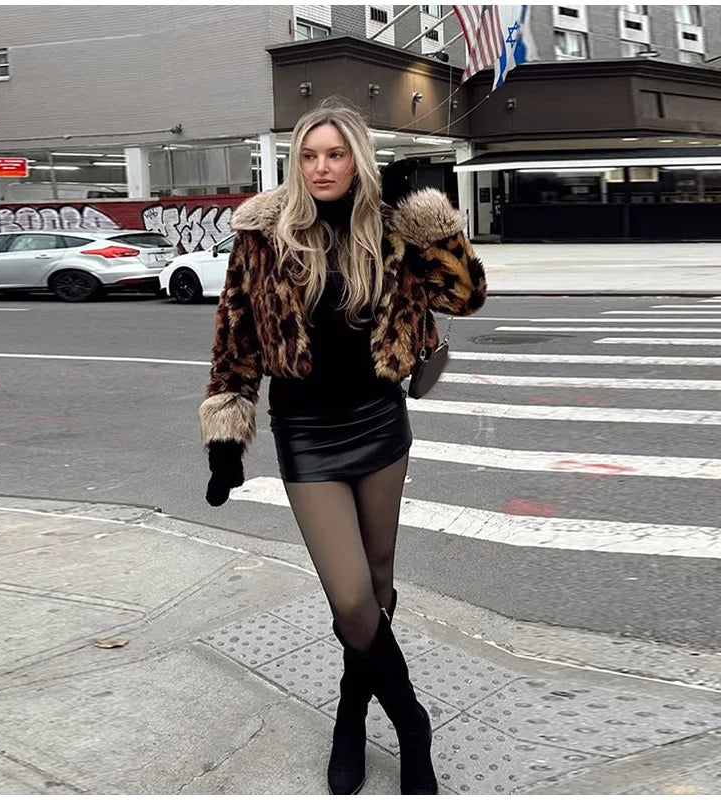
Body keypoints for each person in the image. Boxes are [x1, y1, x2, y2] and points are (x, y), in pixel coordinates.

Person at [198, 101, 486, 795]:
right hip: (306, 433)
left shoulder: (391, 229)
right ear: (294, 162)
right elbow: (236, 333)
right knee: (352, 598)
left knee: (378, 585)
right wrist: (227, 433)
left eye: (335, 154)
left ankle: (351, 716)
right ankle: (412, 723)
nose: (321, 167)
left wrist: (433, 222)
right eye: (309, 155)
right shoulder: (262, 234)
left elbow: (466, 297)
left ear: (358, 159)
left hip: (380, 422)